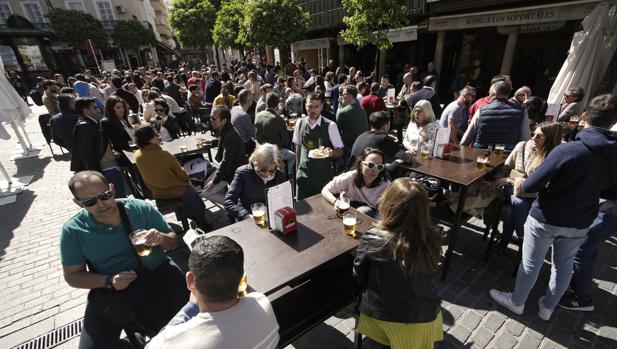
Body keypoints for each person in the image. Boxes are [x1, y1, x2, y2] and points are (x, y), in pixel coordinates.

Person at [489, 94, 617, 321]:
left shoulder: (567, 150)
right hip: (581, 220)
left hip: (547, 217)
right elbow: (609, 190)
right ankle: (547, 308)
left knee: (531, 263)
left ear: (584, 117)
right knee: (563, 266)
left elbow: (530, 184)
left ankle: (517, 302)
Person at [60, 171, 188, 348]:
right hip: (114, 289)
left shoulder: (140, 208)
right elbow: (72, 276)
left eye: (105, 196)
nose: (101, 205)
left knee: (185, 332)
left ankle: (142, 335)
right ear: (78, 203)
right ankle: (132, 342)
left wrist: (160, 238)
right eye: (90, 202)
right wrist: (109, 280)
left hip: (158, 276)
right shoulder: (74, 231)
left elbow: (172, 243)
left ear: (112, 189)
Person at [353, 178, 443, 348]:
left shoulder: (373, 237)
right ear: (424, 208)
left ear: (389, 203)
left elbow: (359, 276)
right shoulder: (434, 236)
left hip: (382, 320)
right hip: (427, 318)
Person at [146, 236, 279, 348]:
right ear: (241, 277)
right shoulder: (262, 301)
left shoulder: (168, 342)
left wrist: (191, 306)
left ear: (190, 281)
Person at [491, 122, 562, 248]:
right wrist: (497, 180)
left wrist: (510, 180)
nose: (533, 138)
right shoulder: (522, 146)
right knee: (519, 202)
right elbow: (506, 167)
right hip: (514, 192)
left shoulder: (553, 157)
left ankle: (505, 239)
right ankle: (524, 238)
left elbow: (544, 186)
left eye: (539, 136)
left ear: (550, 140)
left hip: (536, 195)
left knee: (509, 211)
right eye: (533, 134)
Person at [134, 126, 209, 230]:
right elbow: (182, 175)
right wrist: (187, 177)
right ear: (148, 139)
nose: (159, 135)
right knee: (193, 195)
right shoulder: (164, 155)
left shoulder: (137, 155)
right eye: (155, 134)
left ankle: (185, 216)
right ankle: (202, 223)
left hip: (157, 192)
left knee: (186, 188)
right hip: (174, 190)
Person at [71, 97, 126, 198]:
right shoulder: (84, 125)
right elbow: (85, 153)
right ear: (85, 110)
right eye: (94, 107)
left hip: (109, 166)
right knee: (119, 199)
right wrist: (97, 174)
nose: (98, 109)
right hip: (106, 169)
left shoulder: (91, 122)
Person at [293, 92, 344, 200]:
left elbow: (340, 151)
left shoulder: (330, 125)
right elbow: (298, 148)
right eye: (310, 107)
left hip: (322, 177)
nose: (313, 110)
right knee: (302, 210)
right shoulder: (299, 123)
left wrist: (332, 153)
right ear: (305, 106)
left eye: (316, 107)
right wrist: (297, 170)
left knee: (322, 210)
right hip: (303, 177)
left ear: (321, 106)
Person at [224, 143, 287, 221]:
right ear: (255, 162)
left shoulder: (279, 175)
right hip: (249, 217)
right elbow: (228, 201)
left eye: (271, 171)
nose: (267, 174)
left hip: (272, 217)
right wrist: (245, 215)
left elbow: (284, 198)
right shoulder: (243, 173)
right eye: (262, 170)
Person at [461, 81, 530, 150]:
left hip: (480, 155)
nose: (489, 96)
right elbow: (525, 138)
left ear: (494, 93)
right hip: (505, 156)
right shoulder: (522, 112)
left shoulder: (481, 110)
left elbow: (466, 140)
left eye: (489, 93)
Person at [322, 148, 390, 218]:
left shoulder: (385, 185)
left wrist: (376, 226)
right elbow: (325, 190)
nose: (374, 170)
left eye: (379, 166)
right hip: (346, 207)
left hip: (369, 212)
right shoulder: (350, 177)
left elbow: (382, 212)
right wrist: (336, 202)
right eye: (370, 165)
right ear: (360, 165)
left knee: (366, 211)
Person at [202, 106, 248, 204]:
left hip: (233, 173)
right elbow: (223, 142)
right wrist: (212, 142)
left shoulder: (230, 135)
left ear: (224, 120)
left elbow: (226, 162)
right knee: (206, 185)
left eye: (214, 118)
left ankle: (232, 204)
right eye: (211, 117)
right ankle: (230, 200)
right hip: (228, 171)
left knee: (205, 193)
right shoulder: (226, 129)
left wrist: (214, 181)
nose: (211, 120)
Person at [337, 85, 369, 161]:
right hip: (363, 145)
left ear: (350, 96)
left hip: (349, 148)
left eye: (343, 94)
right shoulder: (362, 109)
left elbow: (336, 132)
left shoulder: (342, 112)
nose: (341, 97)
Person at [230, 89, 257, 154]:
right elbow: (254, 134)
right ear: (249, 100)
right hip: (244, 145)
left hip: (235, 142)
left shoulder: (234, 108)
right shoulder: (244, 115)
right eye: (252, 98)